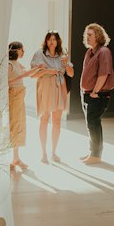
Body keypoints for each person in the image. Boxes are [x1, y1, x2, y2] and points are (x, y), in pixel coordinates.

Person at [28, 31, 73, 163]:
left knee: (57, 120)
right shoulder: (39, 54)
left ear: (58, 41)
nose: (52, 42)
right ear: (46, 41)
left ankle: (54, 152)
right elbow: (32, 75)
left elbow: (71, 73)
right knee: (44, 118)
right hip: (46, 87)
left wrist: (66, 64)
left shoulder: (63, 55)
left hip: (59, 88)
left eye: (54, 39)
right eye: (49, 39)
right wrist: (47, 71)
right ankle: (43, 153)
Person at [80, 22, 114, 164]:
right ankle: (92, 152)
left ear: (98, 36)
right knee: (91, 124)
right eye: (86, 35)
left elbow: (104, 74)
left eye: (90, 35)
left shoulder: (104, 52)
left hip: (97, 95)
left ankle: (96, 154)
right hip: (87, 94)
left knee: (93, 123)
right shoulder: (90, 52)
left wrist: (95, 92)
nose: (87, 37)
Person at [7, 40, 29, 173]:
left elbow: (26, 71)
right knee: (14, 125)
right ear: (16, 50)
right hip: (14, 96)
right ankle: (11, 158)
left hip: (19, 96)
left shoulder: (16, 63)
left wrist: (38, 69)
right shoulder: (9, 64)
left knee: (20, 124)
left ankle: (16, 157)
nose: (23, 52)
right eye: (22, 49)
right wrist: (23, 75)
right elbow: (6, 80)